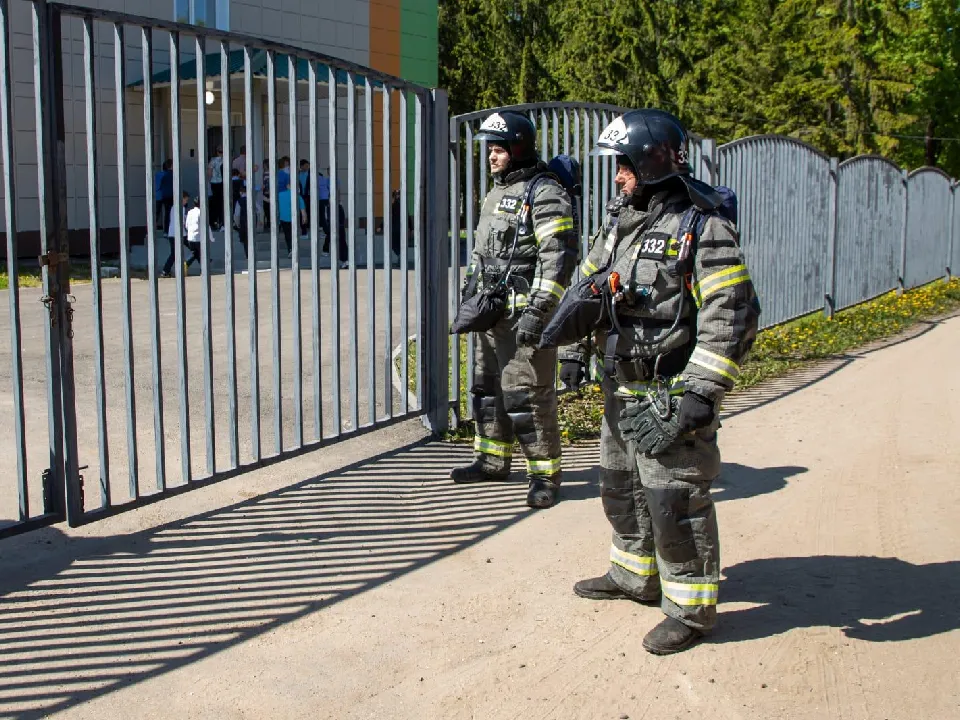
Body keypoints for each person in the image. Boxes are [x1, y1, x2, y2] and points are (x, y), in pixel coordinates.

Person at [560, 109, 759, 654]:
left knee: (673, 500)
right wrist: (574, 349)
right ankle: (632, 575)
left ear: (649, 161)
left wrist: (701, 391)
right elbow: (591, 289)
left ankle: (690, 610)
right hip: (619, 387)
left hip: (670, 392)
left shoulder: (703, 224)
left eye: (623, 164)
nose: (617, 174)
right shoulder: (622, 218)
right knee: (620, 488)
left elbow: (733, 311)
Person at [449, 111, 578, 509]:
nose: (491, 155)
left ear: (519, 148)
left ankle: (544, 476)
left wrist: (540, 312)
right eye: (489, 147)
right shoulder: (494, 193)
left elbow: (559, 258)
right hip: (491, 314)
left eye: (499, 148)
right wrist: (472, 292)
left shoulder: (544, 193)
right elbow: (482, 251)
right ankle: (491, 459)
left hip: (525, 318)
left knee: (527, 396)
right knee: (487, 390)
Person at [161, 191, 201, 277]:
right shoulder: (181, 208)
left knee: (174, 253)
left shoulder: (173, 207)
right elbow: (182, 222)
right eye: (185, 200)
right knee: (195, 249)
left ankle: (165, 271)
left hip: (172, 234)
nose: (186, 202)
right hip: (180, 234)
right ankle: (199, 265)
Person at [276, 156, 305, 257]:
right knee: (292, 231)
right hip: (289, 203)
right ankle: (293, 248)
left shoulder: (277, 175)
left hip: (281, 204)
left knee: (287, 231)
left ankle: (291, 248)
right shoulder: (286, 175)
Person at [207, 145, 224, 230]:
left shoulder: (213, 160)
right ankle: (222, 222)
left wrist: (208, 181)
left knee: (214, 202)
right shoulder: (226, 160)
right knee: (222, 202)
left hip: (214, 183)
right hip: (223, 184)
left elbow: (209, 172)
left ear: (217, 152)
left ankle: (213, 222)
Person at [155, 159, 174, 231]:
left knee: (156, 213)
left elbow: (157, 185)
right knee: (168, 213)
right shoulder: (170, 175)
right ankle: (166, 230)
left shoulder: (158, 174)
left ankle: (151, 231)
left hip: (158, 195)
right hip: (167, 195)